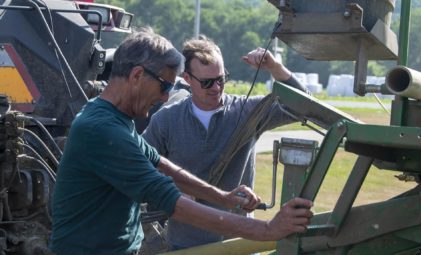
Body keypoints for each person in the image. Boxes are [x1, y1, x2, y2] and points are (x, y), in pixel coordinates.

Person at [49, 28, 313, 255]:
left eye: (221, 80)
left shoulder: (113, 117)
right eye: (165, 86)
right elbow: (168, 199)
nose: (165, 97)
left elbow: (158, 161)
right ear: (138, 75)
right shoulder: (103, 130)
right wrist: (268, 229)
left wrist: (222, 197)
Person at [142, 36, 312, 250]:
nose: (216, 88)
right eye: (207, 82)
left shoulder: (247, 112)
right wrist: (174, 189)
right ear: (187, 78)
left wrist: (274, 66)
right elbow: (140, 166)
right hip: (185, 244)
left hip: (238, 242)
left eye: (221, 79)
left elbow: (305, 106)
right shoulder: (166, 120)